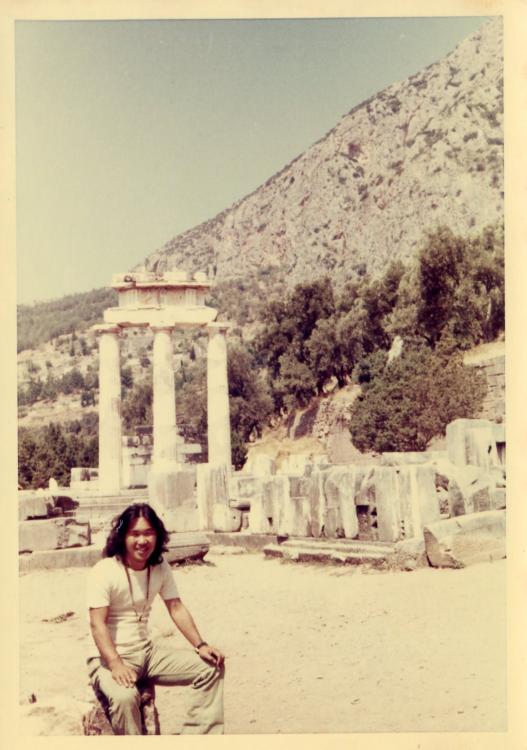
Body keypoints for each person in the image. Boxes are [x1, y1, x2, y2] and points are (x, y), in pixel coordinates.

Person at [86, 502, 225, 735]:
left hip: (147, 654)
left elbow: (176, 607)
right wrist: (116, 663)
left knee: (211, 667)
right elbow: (97, 623)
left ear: (158, 535)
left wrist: (200, 645)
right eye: (135, 534)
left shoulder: (160, 567)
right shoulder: (104, 570)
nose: (142, 541)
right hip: (107, 658)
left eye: (149, 533)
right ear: (122, 536)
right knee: (125, 698)